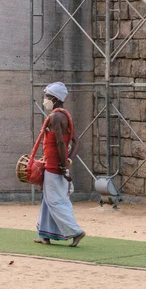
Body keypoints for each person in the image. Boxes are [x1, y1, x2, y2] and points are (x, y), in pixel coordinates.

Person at [34, 82, 85, 247]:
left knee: (55, 201)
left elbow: (60, 144)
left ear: (55, 99)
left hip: (54, 166)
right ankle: (45, 234)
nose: (45, 100)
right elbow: (77, 142)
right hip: (57, 164)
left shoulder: (55, 117)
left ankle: (75, 231)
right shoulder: (65, 116)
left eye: (47, 97)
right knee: (49, 200)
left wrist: (63, 165)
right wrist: (69, 160)